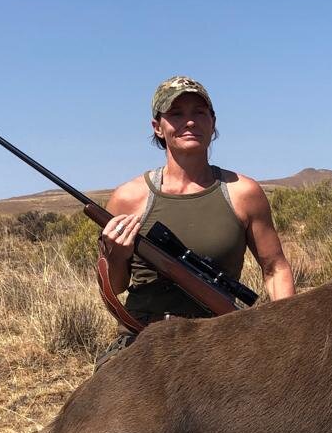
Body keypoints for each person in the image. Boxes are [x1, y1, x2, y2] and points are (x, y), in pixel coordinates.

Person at [95, 76, 295, 366]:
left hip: (222, 339)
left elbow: (275, 268)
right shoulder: (128, 198)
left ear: (212, 123)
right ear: (158, 127)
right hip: (144, 343)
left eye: (199, 112)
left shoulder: (242, 192)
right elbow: (114, 287)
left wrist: (285, 330)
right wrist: (117, 255)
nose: (189, 122)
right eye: (176, 114)